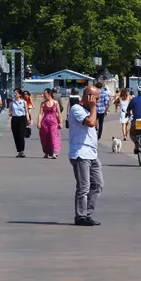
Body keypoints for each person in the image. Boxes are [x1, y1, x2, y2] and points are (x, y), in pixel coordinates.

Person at [68, 85, 102, 226]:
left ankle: (87, 212)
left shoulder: (88, 110)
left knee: (98, 184)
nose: (97, 102)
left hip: (92, 153)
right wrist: (93, 107)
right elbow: (90, 123)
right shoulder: (77, 109)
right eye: (96, 98)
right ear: (88, 96)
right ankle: (80, 216)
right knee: (84, 186)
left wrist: (93, 108)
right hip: (80, 153)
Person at [38, 88, 62, 159]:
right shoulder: (43, 103)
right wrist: (38, 123)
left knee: (53, 137)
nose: (44, 95)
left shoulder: (55, 102)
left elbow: (58, 113)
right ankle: (46, 152)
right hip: (45, 123)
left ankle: (54, 153)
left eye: (45, 94)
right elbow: (40, 114)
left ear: (49, 94)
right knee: (45, 138)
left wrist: (60, 122)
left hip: (54, 122)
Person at [9, 89, 28, 158]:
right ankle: (19, 151)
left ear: (19, 94)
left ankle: (22, 151)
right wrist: (10, 113)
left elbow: (26, 111)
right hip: (14, 119)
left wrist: (28, 119)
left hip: (22, 119)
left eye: (16, 93)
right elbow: (10, 111)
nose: (14, 95)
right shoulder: (12, 102)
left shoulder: (24, 102)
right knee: (16, 136)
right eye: (14, 93)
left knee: (21, 135)